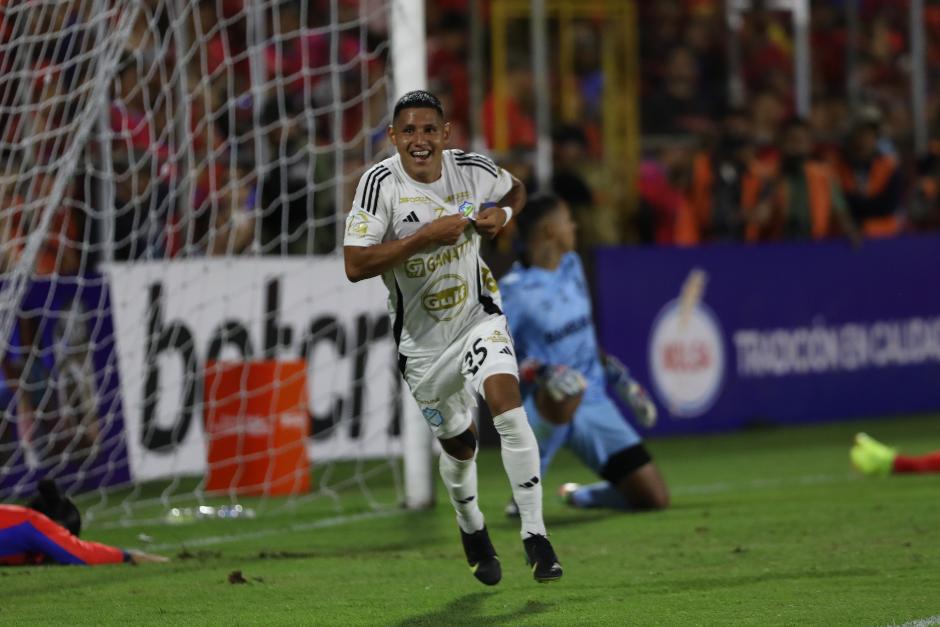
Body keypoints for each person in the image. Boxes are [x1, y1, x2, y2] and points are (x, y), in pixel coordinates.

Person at [342, 90, 561, 585]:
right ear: (393, 137)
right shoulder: (379, 184)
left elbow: (516, 190)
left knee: (508, 408)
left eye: (429, 130)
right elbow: (355, 264)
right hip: (423, 346)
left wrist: (503, 216)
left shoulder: (471, 168)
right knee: (461, 446)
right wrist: (424, 236)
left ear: (445, 134)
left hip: (477, 317)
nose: (419, 140)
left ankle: (536, 536)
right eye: (409, 131)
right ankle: (471, 524)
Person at [499, 193, 670, 515]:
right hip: (544, 403)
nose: (574, 226)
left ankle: (580, 496)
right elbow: (495, 355)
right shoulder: (513, 290)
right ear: (550, 230)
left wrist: (623, 381)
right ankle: (526, 488)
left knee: (653, 499)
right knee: (567, 385)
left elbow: (583, 339)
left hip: (593, 402)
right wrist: (539, 371)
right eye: (568, 220)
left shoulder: (573, 266)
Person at [1, 479, 168, 566]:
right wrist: (128, 555)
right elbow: (82, 553)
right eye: (64, 535)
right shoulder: (34, 523)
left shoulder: (18, 526)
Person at [851, 433, 940, 475]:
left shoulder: (859, 453)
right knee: (918, 465)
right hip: (892, 461)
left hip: (892, 462)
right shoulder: (860, 451)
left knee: (918, 465)